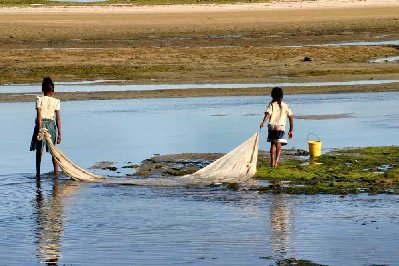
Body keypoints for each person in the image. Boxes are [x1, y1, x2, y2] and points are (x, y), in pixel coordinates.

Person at [30, 77, 62, 178]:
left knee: (39, 150)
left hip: (42, 124)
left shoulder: (39, 99)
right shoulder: (56, 101)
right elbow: (58, 119)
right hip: (52, 126)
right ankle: (56, 173)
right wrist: (60, 133)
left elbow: (39, 115)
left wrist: (40, 130)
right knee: (53, 150)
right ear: (53, 90)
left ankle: (38, 174)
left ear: (42, 90)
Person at [260, 87, 294, 167]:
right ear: (282, 96)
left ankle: (272, 162)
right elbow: (291, 118)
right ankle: (277, 161)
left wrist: (263, 123)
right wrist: (291, 130)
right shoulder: (285, 106)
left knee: (273, 144)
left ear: (272, 96)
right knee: (278, 144)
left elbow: (267, 114)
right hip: (280, 127)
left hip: (272, 127)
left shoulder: (271, 105)